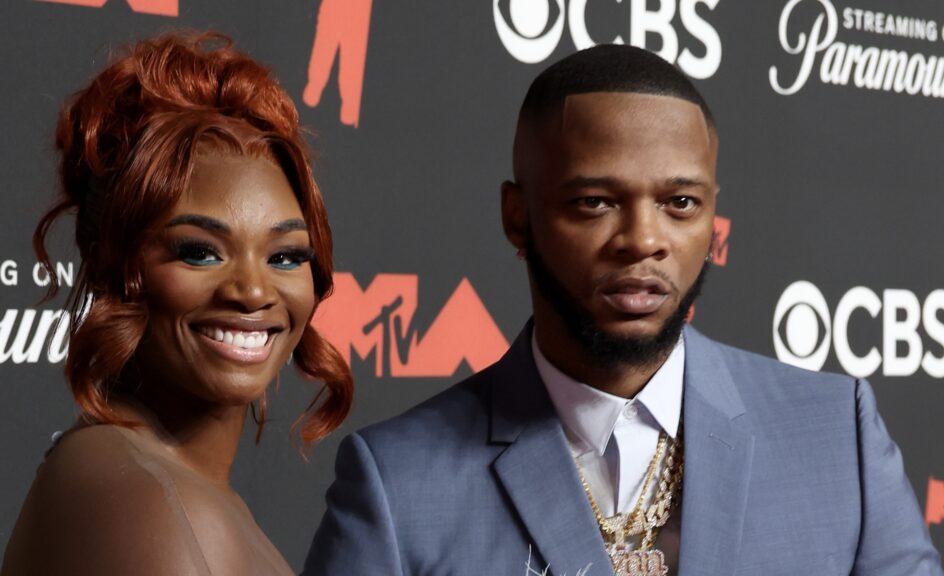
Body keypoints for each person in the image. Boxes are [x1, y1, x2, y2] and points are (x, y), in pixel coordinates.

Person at [303, 45, 942, 575]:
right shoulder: (398, 483)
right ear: (517, 217)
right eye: (595, 202)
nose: (643, 239)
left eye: (680, 203)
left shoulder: (836, 434)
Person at [1, 33, 352, 576]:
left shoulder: (176, 489)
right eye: (200, 252)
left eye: (284, 256)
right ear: (109, 260)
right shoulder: (144, 501)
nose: (253, 291)